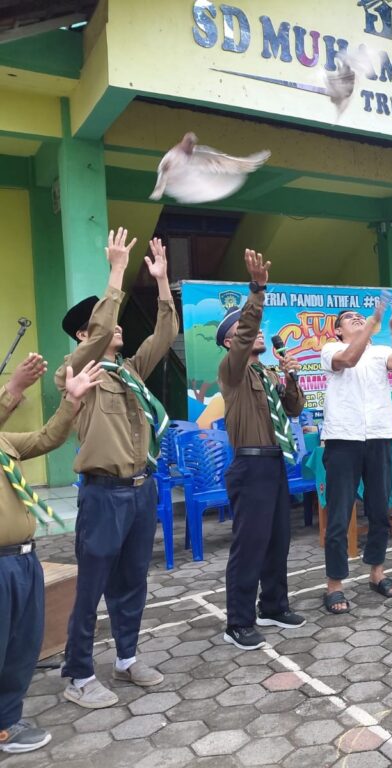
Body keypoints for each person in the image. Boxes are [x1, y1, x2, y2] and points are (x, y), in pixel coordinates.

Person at [57, 229, 177, 708]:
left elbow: (165, 334)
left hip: (141, 489)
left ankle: (126, 658)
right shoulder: (76, 370)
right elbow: (103, 331)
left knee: (133, 580)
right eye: (101, 326)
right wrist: (115, 271)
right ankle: (79, 674)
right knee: (91, 585)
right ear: (84, 335)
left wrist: (163, 282)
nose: (116, 329)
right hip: (103, 493)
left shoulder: (128, 371)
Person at [0, 356, 101, 753]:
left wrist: (71, 403)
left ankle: (7, 721)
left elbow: (47, 438)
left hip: (23, 559)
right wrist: (14, 390)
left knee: (21, 647)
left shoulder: (4, 441)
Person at [217, 249, 307, 650]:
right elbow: (247, 323)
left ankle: (273, 605)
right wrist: (257, 291)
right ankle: (238, 621)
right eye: (242, 331)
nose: (253, 332)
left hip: (274, 464)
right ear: (229, 344)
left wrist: (290, 380)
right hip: (249, 466)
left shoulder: (267, 372)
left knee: (277, 540)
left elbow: (293, 409)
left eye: (251, 327)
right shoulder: (232, 371)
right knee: (250, 544)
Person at [320, 293, 392, 612]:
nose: (356, 318)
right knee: (340, 514)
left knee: (379, 510)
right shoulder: (330, 350)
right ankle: (334, 585)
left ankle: (377, 573)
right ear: (338, 331)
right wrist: (372, 322)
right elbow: (347, 361)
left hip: (380, 436)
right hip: (343, 438)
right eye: (349, 318)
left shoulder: (380, 350)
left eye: (360, 315)